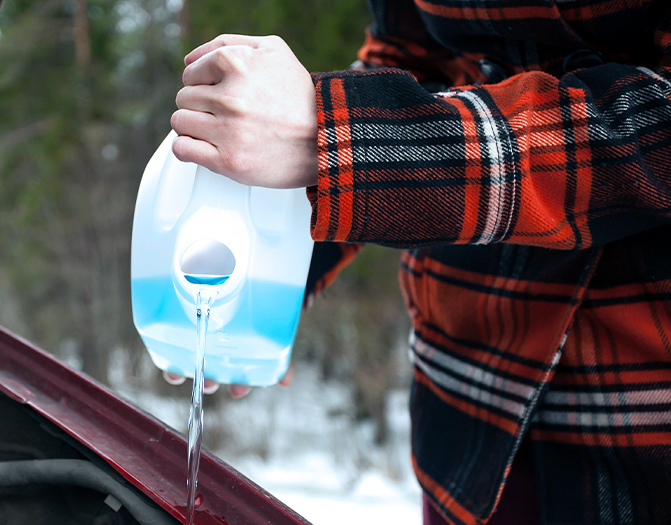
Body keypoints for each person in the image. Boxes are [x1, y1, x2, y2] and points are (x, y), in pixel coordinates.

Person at [169, 0, 671, 524]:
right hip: (466, 389)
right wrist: (281, 264)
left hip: (646, 409)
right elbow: (412, 54)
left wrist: (339, 137)